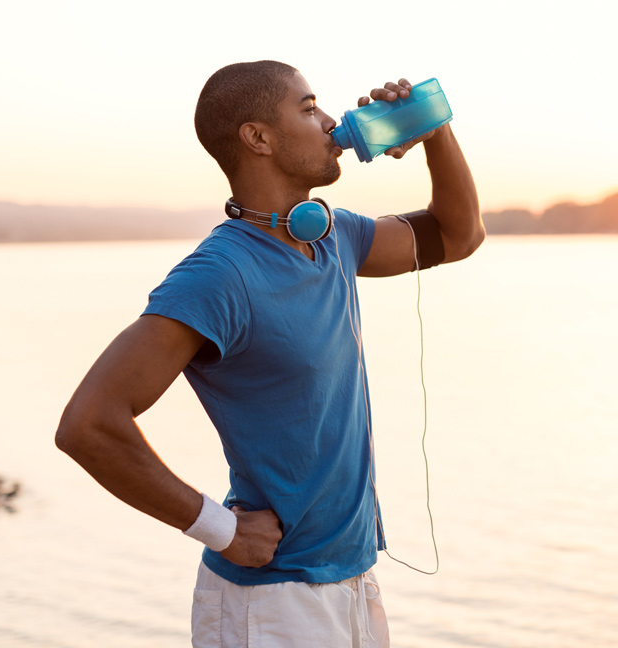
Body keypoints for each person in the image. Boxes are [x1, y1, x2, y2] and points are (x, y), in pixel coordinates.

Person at [55, 60, 483, 648]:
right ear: (257, 138)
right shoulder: (218, 276)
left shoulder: (333, 235)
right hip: (273, 605)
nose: (333, 121)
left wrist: (434, 129)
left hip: (354, 581)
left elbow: (459, 235)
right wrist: (221, 529)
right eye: (309, 109)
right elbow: (88, 425)